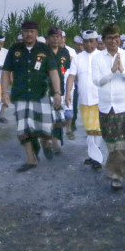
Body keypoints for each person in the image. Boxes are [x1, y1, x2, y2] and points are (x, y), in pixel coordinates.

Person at [1, 20, 63, 171]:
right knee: (23, 130)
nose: (29, 34)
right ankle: (31, 159)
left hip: (40, 94)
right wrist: (4, 93)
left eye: (32, 31)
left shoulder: (44, 49)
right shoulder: (14, 49)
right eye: (26, 31)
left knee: (46, 127)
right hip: (20, 94)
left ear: (36, 33)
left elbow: (53, 71)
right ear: (22, 32)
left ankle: (45, 143)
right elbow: (6, 72)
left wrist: (57, 92)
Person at [92, 25, 125, 190]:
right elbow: (97, 81)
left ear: (119, 38)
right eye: (109, 38)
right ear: (104, 40)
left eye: (116, 37)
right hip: (106, 106)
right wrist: (112, 71)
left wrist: (122, 70)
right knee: (110, 140)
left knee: (121, 141)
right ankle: (115, 167)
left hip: (123, 106)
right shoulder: (98, 58)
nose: (113, 41)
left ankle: (117, 175)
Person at [67, 31, 105, 168]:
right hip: (84, 99)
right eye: (86, 41)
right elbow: (71, 76)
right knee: (90, 129)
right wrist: (67, 94)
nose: (89, 44)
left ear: (96, 42)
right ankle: (92, 155)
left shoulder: (102, 57)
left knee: (98, 128)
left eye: (92, 41)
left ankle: (97, 158)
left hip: (100, 99)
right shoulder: (77, 58)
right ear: (83, 42)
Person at [46, 27, 71, 155]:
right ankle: (51, 142)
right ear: (48, 39)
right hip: (45, 90)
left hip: (60, 90)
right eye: (53, 37)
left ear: (61, 38)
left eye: (58, 37)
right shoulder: (43, 52)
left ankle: (55, 140)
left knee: (58, 119)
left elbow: (67, 73)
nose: (55, 39)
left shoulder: (64, 53)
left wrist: (67, 93)